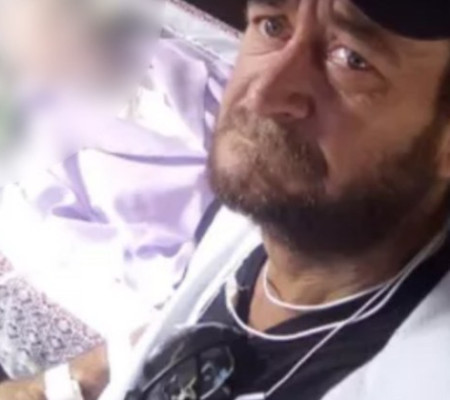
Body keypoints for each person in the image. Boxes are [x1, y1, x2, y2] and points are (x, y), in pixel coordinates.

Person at [4, 0, 450, 398]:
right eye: (273, 25)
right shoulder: (278, 213)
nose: (263, 92)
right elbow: (187, 325)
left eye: (353, 59)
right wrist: (62, 385)